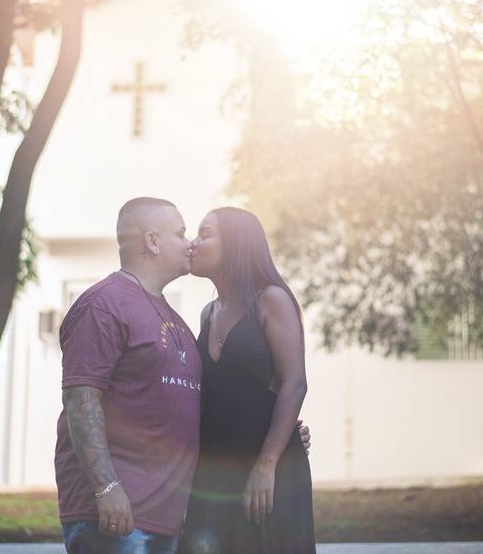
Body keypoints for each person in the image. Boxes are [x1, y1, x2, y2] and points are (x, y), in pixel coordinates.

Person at [55, 197, 309, 554]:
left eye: (201, 234)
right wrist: (106, 487)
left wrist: (275, 442)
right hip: (139, 507)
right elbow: (80, 399)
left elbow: (281, 385)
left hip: (191, 504)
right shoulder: (108, 305)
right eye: (183, 233)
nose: (191, 243)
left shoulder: (181, 317)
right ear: (152, 241)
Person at [180, 207, 316, 554]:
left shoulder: (272, 300)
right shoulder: (208, 313)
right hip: (215, 464)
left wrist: (267, 464)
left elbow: (294, 384)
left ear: (236, 244)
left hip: (268, 466)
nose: (193, 243)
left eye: (205, 234)